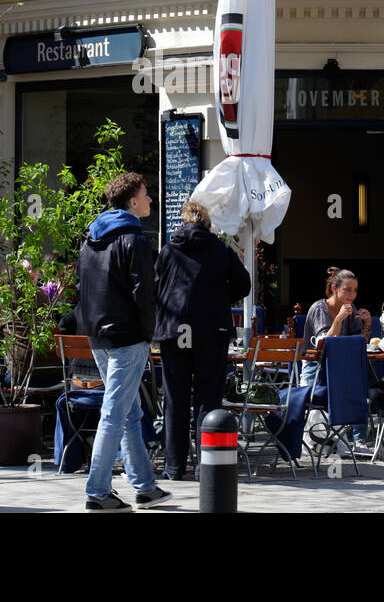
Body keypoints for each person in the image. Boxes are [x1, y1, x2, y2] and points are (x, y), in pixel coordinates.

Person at [74, 171, 170, 512]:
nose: (150, 200)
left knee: (128, 412)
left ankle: (144, 487)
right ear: (132, 201)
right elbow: (144, 295)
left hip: (98, 334)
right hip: (128, 336)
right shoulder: (135, 239)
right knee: (115, 414)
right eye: (146, 194)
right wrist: (149, 334)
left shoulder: (90, 239)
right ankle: (97, 492)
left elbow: (81, 290)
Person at [154, 201, 251, 481]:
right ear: (208, 224)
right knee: (208, 398)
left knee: (175, 398)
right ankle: (205, 465)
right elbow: (243, 284)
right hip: (211, 331)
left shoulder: (169, 249)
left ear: (183, 222)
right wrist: (219, 297)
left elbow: (156, 287)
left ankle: (174, 467)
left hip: (174, 330)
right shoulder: (220, 250)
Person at [302, 268, 371, 388]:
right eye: (347, 290)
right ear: (335, 288)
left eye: (355, 290)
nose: (352, 295)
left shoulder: (351, 308)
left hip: (340, 367)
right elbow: (323, 344)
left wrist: (367, 324)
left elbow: (360, 342)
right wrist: (338, 319)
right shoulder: (319, 308)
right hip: (316, 370)